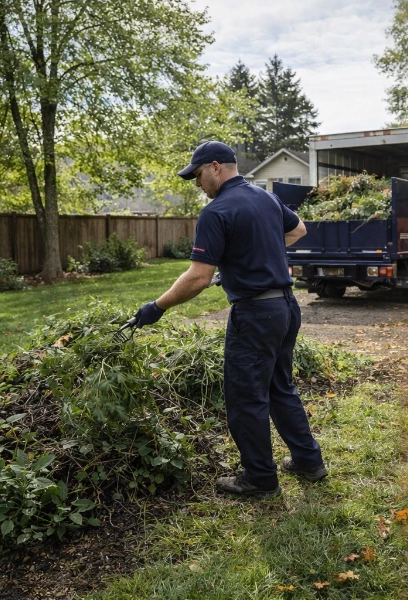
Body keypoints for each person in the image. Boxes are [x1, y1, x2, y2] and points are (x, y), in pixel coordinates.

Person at [130, 141, 327, 496]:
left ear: (216, 167)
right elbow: (298, 230)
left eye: (198, 176)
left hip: (255, 315)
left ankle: (260, 478)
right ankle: (309, 462)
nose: (197, 185)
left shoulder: (217, 211)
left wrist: (156, 306)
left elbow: (198, 277)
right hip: (285, 307)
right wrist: (255, 253)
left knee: (245, 397)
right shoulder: (265, 198)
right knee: (280, 387)